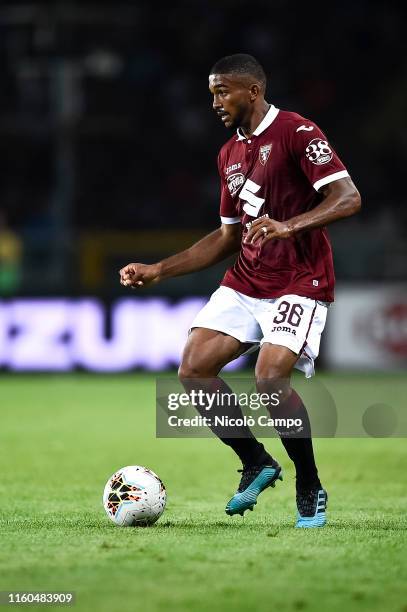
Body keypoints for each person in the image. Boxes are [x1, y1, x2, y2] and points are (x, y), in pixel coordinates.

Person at [119, 54, 361, 528]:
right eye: (212, 92)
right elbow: (228, 237)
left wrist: (290, 226)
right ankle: (256, 461)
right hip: (248, 279)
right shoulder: (229, 153)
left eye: (223, 91)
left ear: (253, 91)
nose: (215, 102)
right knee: (194, 369)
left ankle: (309, 485)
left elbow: (348, 197)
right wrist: (159, 270)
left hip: (300, 279)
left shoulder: (297, 131)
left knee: (271, 379)